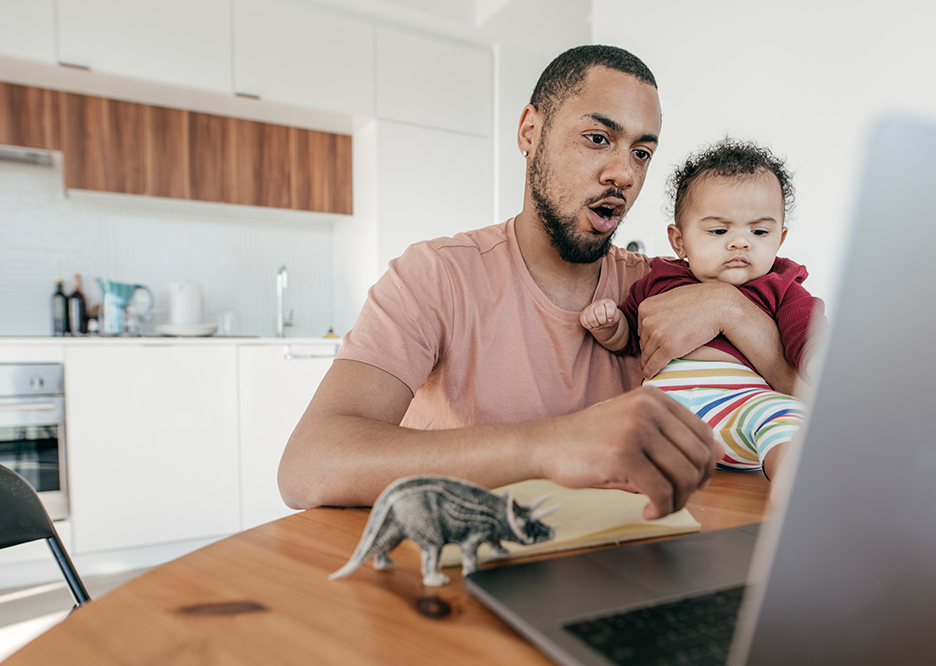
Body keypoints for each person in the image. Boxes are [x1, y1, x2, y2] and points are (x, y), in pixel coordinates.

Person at [279, 46, 797, 519]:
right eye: (598, 139)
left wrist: (732, 309)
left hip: (619, 569)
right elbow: (309, 464)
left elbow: (805, 411)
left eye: (641, 153)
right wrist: (551, 445)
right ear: (530, 132)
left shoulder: (667, 288)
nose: (623, 174)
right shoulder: (437, 275)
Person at [580, 139, 826, 481]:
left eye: (759, 231)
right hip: (664, 408)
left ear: (780, 239)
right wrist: (610, 326)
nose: (740, 242)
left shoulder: (782, 286)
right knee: (600, 419)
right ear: (679, 241)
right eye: (719, 230)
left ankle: (795, 487)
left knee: (787, 419)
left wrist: (820, 359)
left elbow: (807, 329)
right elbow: (630, 336)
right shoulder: (660, 280)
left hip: (743, 407)